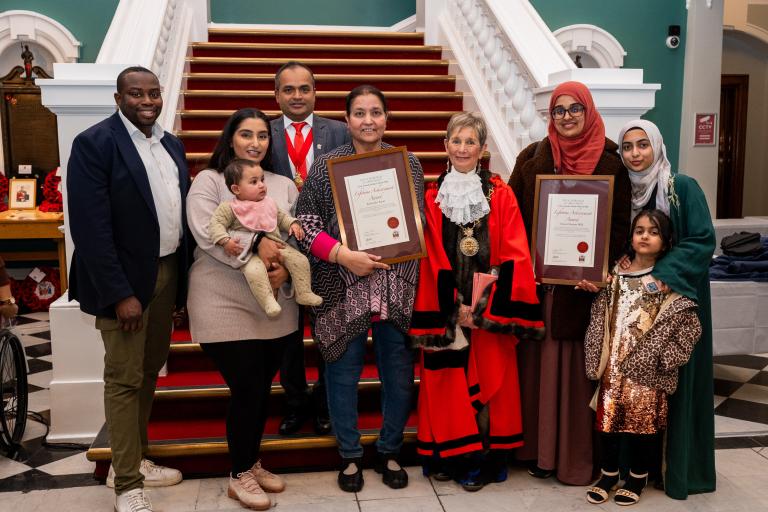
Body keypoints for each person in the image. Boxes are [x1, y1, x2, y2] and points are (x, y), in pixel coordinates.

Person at [67, 66, 187, 512]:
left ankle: (134, 458)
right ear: (119, 99)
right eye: (136, 93)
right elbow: (91, 229)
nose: (148, 100)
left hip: (168, 272)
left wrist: (179, 290)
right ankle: (127, 484)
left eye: (153, 92)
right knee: (123, 378)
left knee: (150, 370)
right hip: (124, 281)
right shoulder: (95, 144)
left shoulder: (170, 143)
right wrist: (120, 293)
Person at [295, 85, 424, 492]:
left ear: (387, 118)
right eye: (359, 113)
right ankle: (349, 455)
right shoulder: (325, 165)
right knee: (343, 372)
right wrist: (341, 255)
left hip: (395, 284)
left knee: (398, 374)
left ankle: (388, 450)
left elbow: (416, 226)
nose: (368, 120)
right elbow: (305, 225)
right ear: (347, 119)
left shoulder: (410, 164)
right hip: (340, 283)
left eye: (376, 112)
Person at [409, 112, 544, 491]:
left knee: (489, 379)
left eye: (471, 141)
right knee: (447, 382)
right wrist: (455, 306)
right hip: (449, 309)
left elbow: (515, 251)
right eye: (457, 140)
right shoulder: (433, 197)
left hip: (487, 311)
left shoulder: (500, 193)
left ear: (483, 149)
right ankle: (450, 454)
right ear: (445, 146)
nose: (463, 148)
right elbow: (431, 254)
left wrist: (483, 307)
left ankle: (486, 456)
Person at [508, 81, 631, 485]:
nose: (566, 117)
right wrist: (526, 262)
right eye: (558, 110)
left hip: (585, 291)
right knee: (538, 370)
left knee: (578, 376)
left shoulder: (612, 162)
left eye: (574, 109)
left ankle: (572, 458)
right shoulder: (532, 157)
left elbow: (619, 227)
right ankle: (536, 451)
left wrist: (601, 270)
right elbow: (511, 216)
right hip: (539, 286)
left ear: (589, 111)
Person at [187, 108, 298, 510]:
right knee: (247, 385)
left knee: (261, 388)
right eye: (246, 134)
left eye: (263, 136)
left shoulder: (283, 184)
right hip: (223, 299)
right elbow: (205, 233)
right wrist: (257, 246)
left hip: (273, 303)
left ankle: (251, 462)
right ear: (230, 137)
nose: (255, 142)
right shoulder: (210, 180)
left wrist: (285, 269)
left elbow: (297, 231)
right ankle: (238, 474)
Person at [616, 119, 716, 499]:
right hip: (640, 304)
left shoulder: (681, 187)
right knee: (638, 383)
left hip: (678, 300)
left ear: (657, 146)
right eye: (627, 147)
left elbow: (703, 241)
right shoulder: (626, 191)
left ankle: (678, 470)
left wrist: (662, 273)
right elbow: (632, 240)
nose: (635, 153)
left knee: (678, 379)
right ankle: (637, 467)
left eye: (643, 145)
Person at [583, 209, 702, 506]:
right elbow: (602, 314)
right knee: (607, 421)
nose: (645, 236)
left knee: (644, 426)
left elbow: (689, 325)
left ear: (665, 241)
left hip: (648, 370)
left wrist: (666, 359)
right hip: (614, 365)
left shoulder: (667, 280)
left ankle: (638, 476)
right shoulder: (617, 274)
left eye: (653, 231)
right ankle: (608, 474)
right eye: (639, 230)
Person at [270, 61, 349, 436]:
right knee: (287, 336)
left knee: (329, 331)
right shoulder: (263, 134)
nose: (297, 96)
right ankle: (295, 402)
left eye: (304, 88)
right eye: (289, 89)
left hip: (328, 249)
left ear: (315, 92)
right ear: (277, 95)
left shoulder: (338, 131)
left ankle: (324, 403)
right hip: (280, 250)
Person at [208, 158, 322, 317]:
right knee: (255, 272)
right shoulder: (228, 207)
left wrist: (293, 224)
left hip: (278, 245)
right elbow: (215, 224)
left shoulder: (269, 202)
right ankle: (267, 301)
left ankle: (304, 292)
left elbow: (282, 218)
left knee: (300, 260)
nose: (261, 185)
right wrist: (225, 240)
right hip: (249, 253)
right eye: (254, 182)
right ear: (236, 189)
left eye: (262, 180)